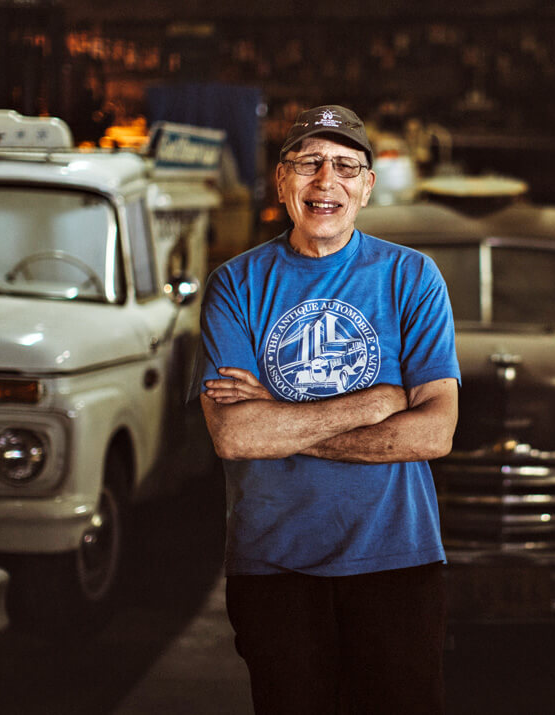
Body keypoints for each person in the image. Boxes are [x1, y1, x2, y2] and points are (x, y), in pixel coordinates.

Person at [197, 104, 461, 714]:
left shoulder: (411, 277)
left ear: (367, 187)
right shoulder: (236, 285)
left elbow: (434, 433)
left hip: (397, 558)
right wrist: (376, 402)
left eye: (346, 166)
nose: (326, 182)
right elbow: (234, 436)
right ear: (281, 181)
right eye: (308, 164)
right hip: (274, 563)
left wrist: (279, 419)